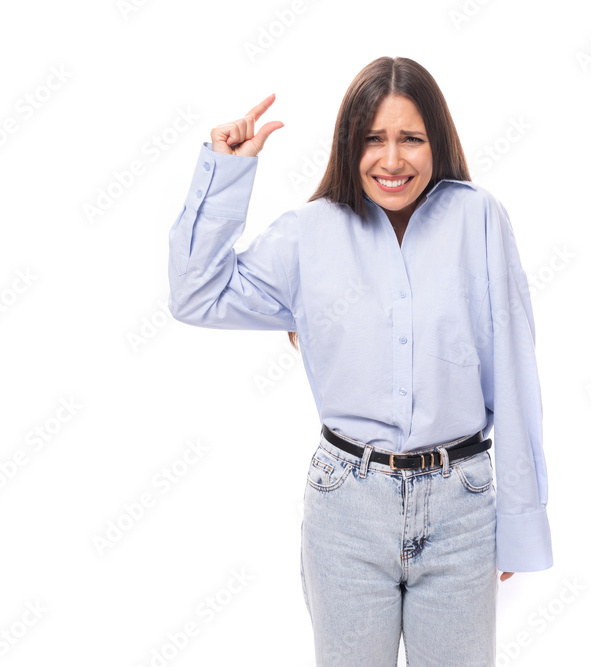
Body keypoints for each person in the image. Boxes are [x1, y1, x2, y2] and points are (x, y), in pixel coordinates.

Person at [167, 56, 552, 666]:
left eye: (410, 139)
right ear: (349, 144)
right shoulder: (308, 235)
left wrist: (521, 518)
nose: (392, 160)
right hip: (347, 507)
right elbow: (196, 295)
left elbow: (514, 371)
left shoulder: (479, 219)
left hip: (462, 509)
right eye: (374, 139)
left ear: (438, 143)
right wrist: (225, 174)